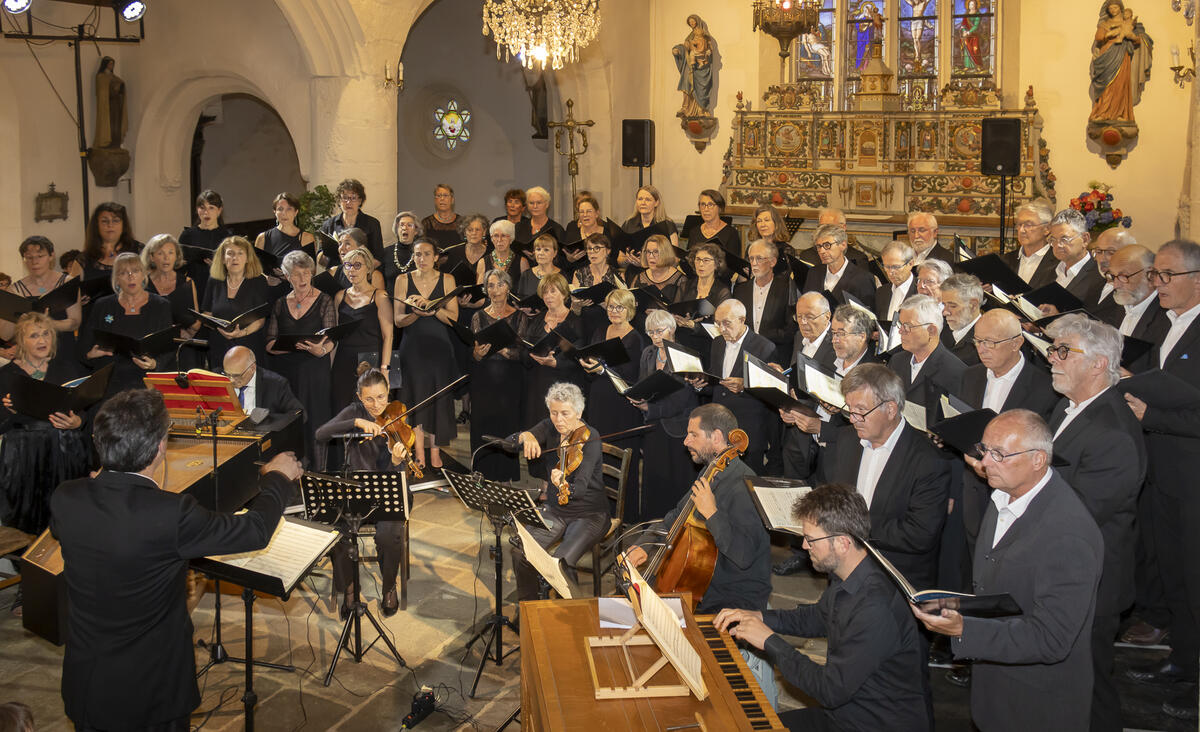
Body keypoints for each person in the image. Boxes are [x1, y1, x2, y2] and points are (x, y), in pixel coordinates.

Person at [51, 388, 302, 731]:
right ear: (160, 447)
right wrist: (278, 477)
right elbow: (255, 530)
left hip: (88, 684)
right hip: (152, 691)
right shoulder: (171, 515)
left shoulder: (66, 498)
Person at [913, 410, 1103, 732]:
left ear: (1038, 460)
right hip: (996, 689)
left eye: (999, 454)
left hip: (1038, 706)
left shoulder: (1069, 534)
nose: (984, 463)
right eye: (984, 450)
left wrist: (964, 630)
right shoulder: (1003, 497)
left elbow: (1052, 638)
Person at [716, 483, 931, 732]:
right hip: (844, 715)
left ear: (842, 543)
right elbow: (818, 617)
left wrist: (770, 641)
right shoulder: (849, 573)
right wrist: (761, 616)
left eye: (810, 539)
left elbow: (829, 690)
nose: (804, 546)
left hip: (873, 724)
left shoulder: (874, 606)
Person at [1040, 314, 1145, 731]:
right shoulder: (1069, 407)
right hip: (1064, 573)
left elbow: (1080, 514)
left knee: (1090, 688)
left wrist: (1014, 480)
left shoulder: (1113, 430)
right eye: (1052, 349)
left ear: (1100, 364)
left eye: (1064, 351)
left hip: (1089, 581)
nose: (1052, 358)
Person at [1122, 240, 1200, 720]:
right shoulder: (1165, 325)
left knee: (1194, 576)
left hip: (1192, 479)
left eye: (1167, 275)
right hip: (1160, 475)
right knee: (1172, 573)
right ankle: (1184, 660)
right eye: (1156, 276)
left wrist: (1154, 415)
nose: (1158, 284)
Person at [624, 403, 771, 615]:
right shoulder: (710, 471)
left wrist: (712, 513)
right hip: (702, 583)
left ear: (717, 437)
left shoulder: (745, 487)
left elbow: (744, 555)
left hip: (730, 596)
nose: (685, 442)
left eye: (693, 434)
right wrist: (643, 545)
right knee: (626, 610)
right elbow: (676, 516)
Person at [821, 363, 950, 589]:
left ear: (890, 409)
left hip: (894, 581)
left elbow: (920, 534)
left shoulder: (929, 460)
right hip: (844, 574)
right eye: (849, 409)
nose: (852, 419)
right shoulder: (847, 440)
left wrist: (854, 527)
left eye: (860, 410)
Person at [314, 363, 411, 618]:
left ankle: (389, 586)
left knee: (389, 535)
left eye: (381, 397)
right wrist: (355, 421)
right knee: (338, 532)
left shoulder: (397, 417)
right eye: (368, 399)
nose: (376, 405)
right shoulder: (353, 412)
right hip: (354, 492)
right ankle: (349, 588)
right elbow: (321, 433)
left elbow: (399, 481)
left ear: (388, 392)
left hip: (386, 493)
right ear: (359, 397)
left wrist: (397, 462)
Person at [512, 382, 609, 600]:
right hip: (556, 510)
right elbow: (512, 442)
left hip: (589, 514)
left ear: (579, 412)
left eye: (565, 413)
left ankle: (573, 614)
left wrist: (562, 484)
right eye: (554, 413)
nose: (559, 420)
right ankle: (530, 607)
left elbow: (581, 488)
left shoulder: (591, 437)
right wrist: (525, 435)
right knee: (520, 551)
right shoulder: (550, 426)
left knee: (561, 562)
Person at [0, 313, 91, 535]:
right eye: (34, 336)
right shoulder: (6, 374)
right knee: (25, 521)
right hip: (23, 455)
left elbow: (84, 409)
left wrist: (78, 422)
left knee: (69, 515)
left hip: (66, 450)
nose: (42, 341)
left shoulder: (68, 367)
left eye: (46, 334)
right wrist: (10, 411)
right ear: (21, 341)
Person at [686, 299, 776, 472]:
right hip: (718, 429)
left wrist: (745, 387)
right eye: (718, 324)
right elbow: (717, 385)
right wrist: (701, 385)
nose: (722, 329)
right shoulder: (717, 343)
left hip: (747, 430)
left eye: (726, 323)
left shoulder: (765, 347)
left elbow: (771, 394)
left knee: (746, 485)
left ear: (742, 320)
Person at [394, 237, 460, 470]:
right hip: (413, 349)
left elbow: (454, 318)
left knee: (439, 400)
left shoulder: (448, 280)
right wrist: (416, 314)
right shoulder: (402, 279)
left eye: (426, 254)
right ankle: (419, 451)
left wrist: (431, 307)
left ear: (436, 257)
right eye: (417, 254)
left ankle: (435, 451)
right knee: (415, 399)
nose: (421, 259)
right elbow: (398, 320)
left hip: (439, 349)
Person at [628, 309, 698, 522]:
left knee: (676, 481)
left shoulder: (686, 355)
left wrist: (650, 408)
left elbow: (683, 398)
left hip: (678, 427)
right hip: (653, 428)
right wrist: (638, 398)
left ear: (673, 329)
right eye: (650, 332)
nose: (655, 337)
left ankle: (677, 527)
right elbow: (644, 383)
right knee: (654, 479)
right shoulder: (648, 352)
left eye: (659, 331)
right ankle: (653, 526)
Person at [265, 250, 334, 461]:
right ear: (287, 276)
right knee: (291, 421)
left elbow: (331, 338)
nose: (302, 278)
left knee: (316, 420)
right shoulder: (279, 303)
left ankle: (317, 471)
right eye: (296, 274)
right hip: (287, 372)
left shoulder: (324, 300)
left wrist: (319, 350)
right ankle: (293, 470)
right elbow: (269, 344)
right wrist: (293, 346)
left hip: (314, 370)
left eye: (306, 273)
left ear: (312, 273)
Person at [579, 288, 645, 510]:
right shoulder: (600, 330)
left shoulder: (636, 338)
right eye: (611, 306)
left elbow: (632, 375)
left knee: (621, 456)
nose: (614, 311)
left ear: (630, 310)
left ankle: (623, 512)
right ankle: (599, 506)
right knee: (598, 454)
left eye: (620, 307)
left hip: (622, 407)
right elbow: (592, 358)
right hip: (598, 400)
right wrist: (588, 366)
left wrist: (602, 370)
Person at [79, 252, 175, 395]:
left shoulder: (161, 306)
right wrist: (90, 355)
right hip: (110, 382)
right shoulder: (102, 305)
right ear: (116, 279)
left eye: (135, 271)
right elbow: (84, 345)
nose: (130, 276)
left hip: (145, 381)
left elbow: (169, 348)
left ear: (143, 275)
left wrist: (155, 364)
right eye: (124, 273)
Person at [469, 269, 526, 481]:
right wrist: (476, 353)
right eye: (490, 285)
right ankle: (481, 475)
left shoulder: (519, 315)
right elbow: (473, 352)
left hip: (510, 381)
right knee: (483, 427)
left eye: (500, 285)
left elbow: (523, 353)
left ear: (508, 288)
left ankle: (505, 477)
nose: (495, 290)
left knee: (506, 428)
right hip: (484, 381)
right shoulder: (478, 315)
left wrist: (503, 350)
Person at [0, 235, 84, 377]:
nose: (35, 262)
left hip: (63, 350)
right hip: (30, 356)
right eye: (29, 258)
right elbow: (5, 334)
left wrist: (48, 323)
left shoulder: (67, 283)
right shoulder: (14, 290)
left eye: (40, 256)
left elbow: (75, 322)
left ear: (51, 256)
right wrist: (19, 321)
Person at [331, 247, 393, 415]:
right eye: (348, 265)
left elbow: (388, 336)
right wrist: (330, 367)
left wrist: (385, 370)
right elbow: (335, 337)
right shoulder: (339, 296)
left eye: (357, 265)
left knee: (370, 414)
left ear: (368, 268)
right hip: (343, 361)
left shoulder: (380, 296)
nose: (352, 270)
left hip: (371, 361)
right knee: (342, 412)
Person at [521, 273, 584, 434]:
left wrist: (556, 363)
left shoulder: (575, 321)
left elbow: (579, 358)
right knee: (537, 433)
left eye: (553, 291)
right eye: (545, 292)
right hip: (538, 384)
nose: (548, 296)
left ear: (564, 293)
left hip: (564, 386)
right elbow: (524, 350)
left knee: (560, 433)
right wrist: (531, 355)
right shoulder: (536, 320)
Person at [887, 294, 967, 414]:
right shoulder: (897, 361)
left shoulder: (955, 372)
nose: (900, 331)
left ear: (931, 330)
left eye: (908, 326)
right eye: (900, 324)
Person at [200, 236, 271, 369]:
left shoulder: (258, 281)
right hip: (219, 346)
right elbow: (207, 314)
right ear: (222, 258)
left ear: (247, 258)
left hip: (249, 346)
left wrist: (241, 333)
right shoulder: (214, 281)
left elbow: (260, 319)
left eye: (240, 253)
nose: (235, 258)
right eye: (230, 253)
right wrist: (220, 328)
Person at [734, 239, 799, 364]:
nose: (754, 263)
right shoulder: (740, 290)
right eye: (751, 259)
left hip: (776, 357)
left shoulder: (787, 288)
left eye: (759, 258)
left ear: (772, 262)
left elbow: (791, 329)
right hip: (746, 356)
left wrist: (759, 335)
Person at [143, 234, 202, 367]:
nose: (166, 257)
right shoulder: (143, 283)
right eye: (160, 253)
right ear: (152, 257)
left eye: (171, 253)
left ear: (176, 256)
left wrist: (188, 330)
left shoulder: (187, 282)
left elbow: (196, 323)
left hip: (182, 347)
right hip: (154, 351)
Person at [1089, 0, 1153, 125]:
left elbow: (1138, 40)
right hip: (1107, 54)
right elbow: (1099, 37)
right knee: (1107, 86)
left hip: (1122, 55)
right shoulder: (1105, 23)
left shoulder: (1128, 23)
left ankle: (1121, 113)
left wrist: (1131, 36)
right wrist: (1109, 34)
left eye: (1115, 7)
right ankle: (1102, 113)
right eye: (1111, 8)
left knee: (1120, 84)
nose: (1113, 10)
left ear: (1121, 8)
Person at [801, 224, 875, 306]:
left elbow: (868, 316)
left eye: (827, 245)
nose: (822, 251)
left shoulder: (863, 278)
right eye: (819, 246)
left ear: (843, 245)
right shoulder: (814, 273)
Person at [1046, 209, 1105, 309]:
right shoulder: (1049, 269)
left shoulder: (1099, 275)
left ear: (1085, 239)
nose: (1058, 245)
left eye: (1064, 239)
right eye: (1053, 240)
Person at [71, 202, 141, 286]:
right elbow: (71, 294)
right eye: (104, 221)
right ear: (97, 225)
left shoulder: (139, 251)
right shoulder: (83, 260)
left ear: (123, 225)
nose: (110, 225)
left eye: (115, 220)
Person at [569, 232, 624, 340]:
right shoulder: (579, 273)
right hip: (585, 322)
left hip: (610, 319)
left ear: (608, 251)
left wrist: (608, 306)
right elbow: (574, 311)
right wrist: (578, 305)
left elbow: (625, 307)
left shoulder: (618, 275)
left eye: (597, 248)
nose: (592, 252)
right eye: (589, 249)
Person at [320, 178, 384, 264]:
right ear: (339, 201)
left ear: (360, 201)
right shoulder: (328, 225)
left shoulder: (372, 224)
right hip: (336, 273)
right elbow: (321, 259)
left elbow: (378, 257)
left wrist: (360, 270)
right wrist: (325, 253)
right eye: (345, 198)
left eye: (353, 198)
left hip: (362, 274)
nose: (348, 202)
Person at [1087, 227, 1138, 326]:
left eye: (1110, 252)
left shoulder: (1134, 293)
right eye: (1098, 251)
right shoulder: (1094, 283)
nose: (1102, 259)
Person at [1004, 198, 1057, 287]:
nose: (1021, 230)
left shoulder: (1059, 262)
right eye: (1019, 224)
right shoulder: (1006, 260)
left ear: (1047, 229)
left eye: (1028, 225)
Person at [562, 191, 620, 271]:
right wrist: (570, 260)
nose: (585, 215)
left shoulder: (608, 233)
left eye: (589, 211)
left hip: (604, 276)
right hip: (577, 276)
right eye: (582, 212)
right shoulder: (572, 235)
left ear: (597, 213)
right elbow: (564, 263)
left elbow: (615, 261)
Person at [672, 14, 714, 118]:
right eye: (690, 22)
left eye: (693, 21)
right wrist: (677, 50)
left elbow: (709, 47)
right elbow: (685, 47)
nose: (692, 24)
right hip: (690, 65)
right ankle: (686, 107)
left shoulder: (705, 35)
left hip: (701, 67)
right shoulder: (690, 36)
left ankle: (701, 109)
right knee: (686, 84)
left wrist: (708, 51)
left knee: (701, 88)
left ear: (697, 21)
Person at [938, 273, 983, 366]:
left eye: (952, 306)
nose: (945, 312)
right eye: (944, 305)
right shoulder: (940, 327)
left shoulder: (986, 342)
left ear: (973, 305)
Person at [255, 192, 315, 262]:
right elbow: (255, 269)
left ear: (296, 212)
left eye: (289, 209)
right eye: (280, 209)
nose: (284, 213)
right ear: (274, 212)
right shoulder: (262, 238)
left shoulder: (307, 238)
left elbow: (311, 270)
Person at [621, 185, 680, 251]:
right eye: (640, 199)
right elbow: (619, 253)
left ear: (656, 203)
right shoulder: (628, 224)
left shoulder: (668, 225)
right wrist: (626, 258)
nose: (643, 203)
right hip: (631, 261)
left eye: (648, 200)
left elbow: (676, 257)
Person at [686, 189, 740, 259]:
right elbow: (689, 258)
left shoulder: (731, 233)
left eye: (710, 205)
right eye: (702, 204)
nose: (706, 209)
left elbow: (734, 263)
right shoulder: (694, 232)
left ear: (719, 208)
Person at [874, 240, 917, 327]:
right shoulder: (882, 292)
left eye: (896, 267)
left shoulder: (920, 290)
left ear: (910, 264)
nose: (890, 272)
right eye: (886, 267)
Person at [478, 219, 528, 284]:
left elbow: (526, 290)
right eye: (496, 236)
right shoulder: (482, 262)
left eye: (503, 236)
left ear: (511, 238)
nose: (499, 240)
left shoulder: (522, 262)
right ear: (491, 239)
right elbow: (479, 290)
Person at [515, 234, 561, 301]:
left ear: (555, 253)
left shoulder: (562, 276)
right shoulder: (526, 275)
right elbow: (521, 299)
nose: (541, 253)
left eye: (546, 250)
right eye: (538, 249)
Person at [383, 211, 423, 284]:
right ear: (397, 229)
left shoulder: (422, 253)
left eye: (409, 225)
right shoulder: (385, 252)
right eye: (401, 225)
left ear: (416, 231)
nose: (405, 228)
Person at [420, 183, 461, 249]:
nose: (442, 198)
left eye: (445, 195)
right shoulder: (426, 223)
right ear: (435, 200)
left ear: (452, 200)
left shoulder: (461, 222)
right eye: (439, 196)